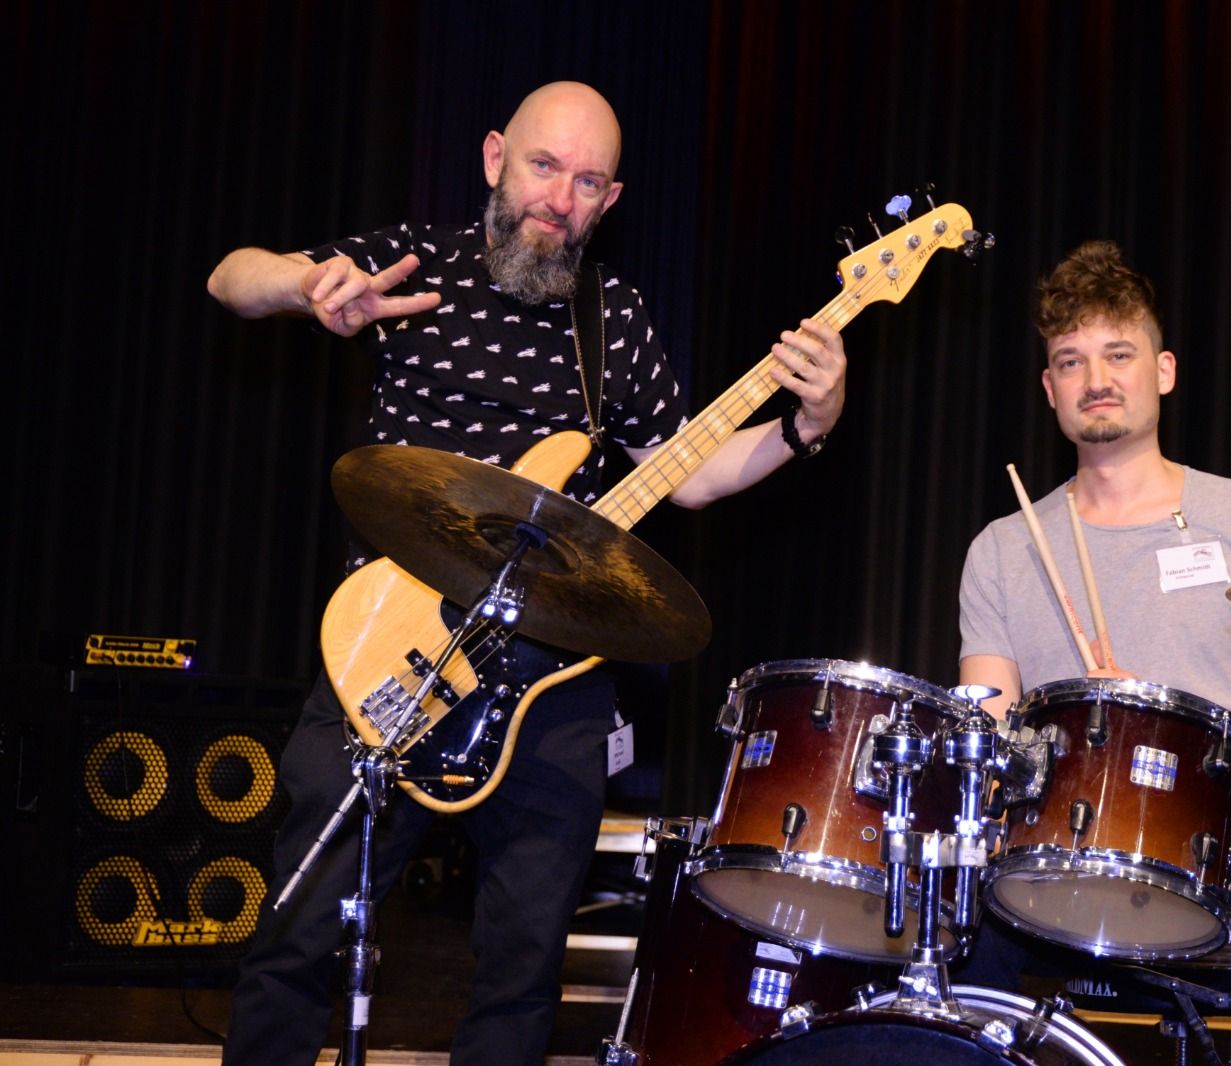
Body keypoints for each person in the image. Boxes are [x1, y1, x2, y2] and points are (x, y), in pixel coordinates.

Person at [207, 81, 847, 1065]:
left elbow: (690, 472)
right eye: (545, 166)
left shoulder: (611, 317)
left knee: (523, 973)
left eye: (588, 182)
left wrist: (808, 424)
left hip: (551, 677)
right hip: (392, 647)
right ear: (494, 157)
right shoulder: (414, 263)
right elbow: (231, 277)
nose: (560, 197)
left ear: (611, 199)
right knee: (298, 941)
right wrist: (304, 286)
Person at [955, 240, 1231, 1064]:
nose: (1097, 378)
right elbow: (991, 738)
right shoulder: (1003, 549)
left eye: (1119, 353)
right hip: (1059, 875)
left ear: (1163, 372)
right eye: (1072, 361)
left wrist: (1169, 733)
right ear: (1050, 389)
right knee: (947, 973)